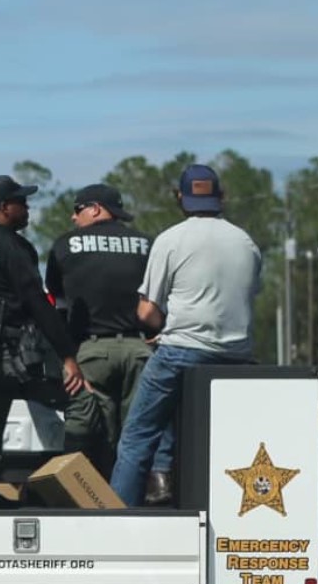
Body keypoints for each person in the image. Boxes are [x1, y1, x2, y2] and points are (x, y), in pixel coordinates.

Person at [109, 163, 263, 506]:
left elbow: (147, 313)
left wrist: (165, 328)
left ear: (180, 197)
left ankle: (119, 523)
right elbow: (243, 298)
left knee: (136, 438)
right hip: (237, 356)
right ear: (221, 196)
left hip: (182, 352)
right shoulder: (247, 243)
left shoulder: (171, 240)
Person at [0, 175, 86, 493]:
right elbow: (37, 303)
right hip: (7, 356)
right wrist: (68, 356)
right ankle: (78, 478)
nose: (27, 208)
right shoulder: (14, 246)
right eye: (21, 202)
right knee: (82, 402)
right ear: (4, 207)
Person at [45, 182, 153, 477]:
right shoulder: (147, 244)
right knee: (137, 431)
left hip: (91, 352)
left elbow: (56, 298)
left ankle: (97, 499)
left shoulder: (65, 245)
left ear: (94, 209)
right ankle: (138, 498)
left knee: (96, 432)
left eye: (77, 210)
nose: (73, 217)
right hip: (140, 349)